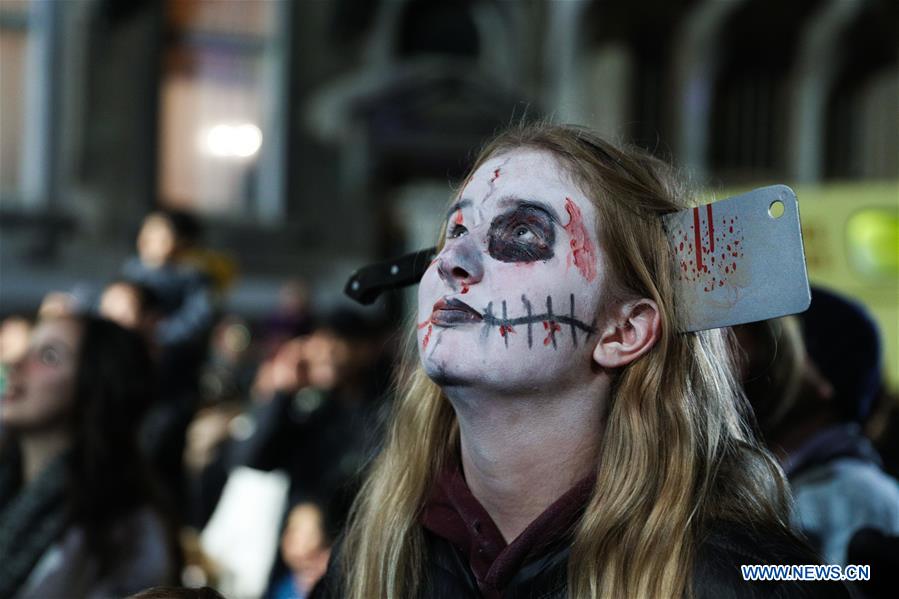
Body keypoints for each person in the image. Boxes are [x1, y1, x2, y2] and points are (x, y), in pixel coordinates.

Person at [311, 123, 849, 598]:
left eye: (521, 233)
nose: (451, 259)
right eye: (455, 230)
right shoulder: (376, 551)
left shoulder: (745, 577)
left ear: (624, 330)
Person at [0, 315, 179, 598]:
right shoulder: (10, 488)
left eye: (48, 355)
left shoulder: (125, 528)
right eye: (26, 349)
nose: (16, 364)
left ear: (96, 383)